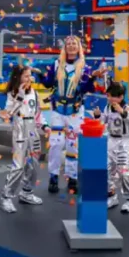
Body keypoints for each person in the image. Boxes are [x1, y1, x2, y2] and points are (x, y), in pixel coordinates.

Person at [40, 35, 104, 194]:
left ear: (79, 46)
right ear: (65, 47)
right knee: (55, 144)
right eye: (68, 43)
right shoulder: (56, 64)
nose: (71, 46)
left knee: (72, 145)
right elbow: (48, 84)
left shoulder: (85, 67)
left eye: (74, 43)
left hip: (75, 112)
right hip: (57, 111)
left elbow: (87, 89)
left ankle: (72, 178)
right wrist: (40, 75)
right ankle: (53, 177)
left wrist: (94, 77)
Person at [0, 64, 47, 213]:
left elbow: (38, 112)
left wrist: (44, 126)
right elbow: (8, 113)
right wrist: (19, 95)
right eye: (26, 76)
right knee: (18, 165)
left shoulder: (33, 92)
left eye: (30, 75)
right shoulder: (13, 94)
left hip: (32, 127)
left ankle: (27, 192)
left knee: (33, 163)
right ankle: (6, 197)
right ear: (18, 77)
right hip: (20, 127)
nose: (29, 78)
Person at [92, 81, 129, 213]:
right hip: (111, 141)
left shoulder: (127, 108)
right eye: (108, 96)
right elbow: (104, 120)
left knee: (124, 171)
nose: (110, 99)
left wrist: (122, 112)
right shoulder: (108, 107)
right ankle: (111, 196)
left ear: (121, 97)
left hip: (124, 142)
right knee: (106, 170)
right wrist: (98, 115)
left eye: (113, 96)